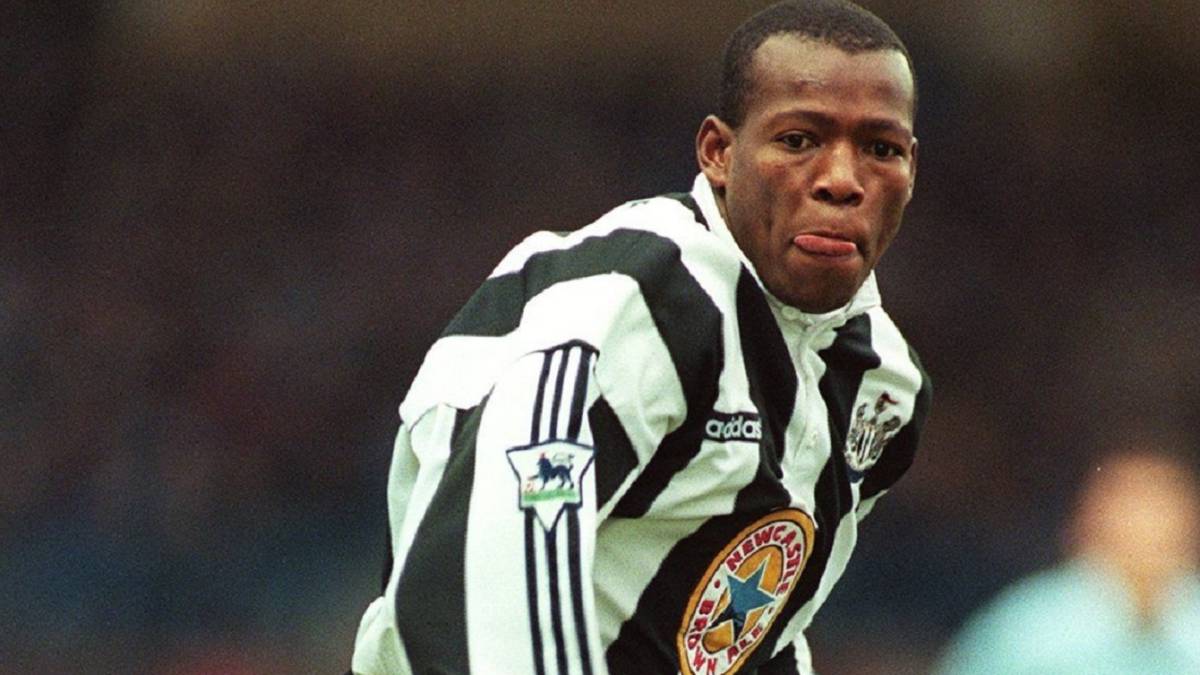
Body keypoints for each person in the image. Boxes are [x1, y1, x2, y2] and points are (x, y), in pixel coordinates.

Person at [351, 1, 931, 673]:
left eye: (881, 149)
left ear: (912, 168)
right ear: (719, 153)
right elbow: (479, 582)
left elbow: (756, 638)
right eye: (799, 140)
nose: (842, 180)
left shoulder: (884, 389)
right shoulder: (623, 302)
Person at [935, 441, 1200, 674]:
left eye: (1162, 511)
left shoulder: (1191, 625)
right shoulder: (1028, 627)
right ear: (1086, 524)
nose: (1146, 527)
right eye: (1131, 510)